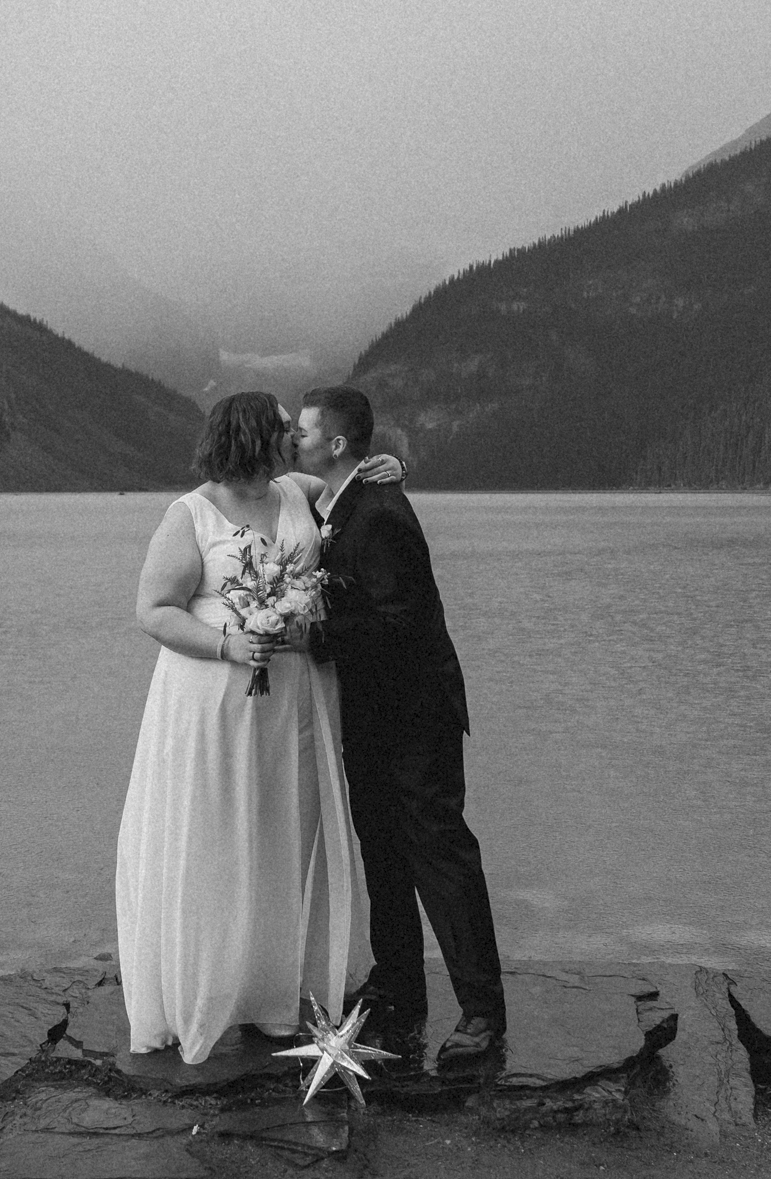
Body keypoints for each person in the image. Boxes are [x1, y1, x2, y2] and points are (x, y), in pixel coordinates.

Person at [116, 391, 402, 1064]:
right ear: (252, 438)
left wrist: (385, 463)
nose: (291, 438)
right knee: (218, 834)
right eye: (280, 429)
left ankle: (275, 996)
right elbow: (153, 610)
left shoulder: (293, 491)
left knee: (284, 831)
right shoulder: (189, 514)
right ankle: (214, 989)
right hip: (216, 701)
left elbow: (346, 474)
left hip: (295, 702)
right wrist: (228, 645)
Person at [296, 384, 507, 1065]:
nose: (294, 439)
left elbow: (399, 623)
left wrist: (316, 631)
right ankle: (398, 983)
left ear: (335, 444)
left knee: (439, 851)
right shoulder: (339, 499)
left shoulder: (380, 512)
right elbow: (269, 478)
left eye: (304, 431)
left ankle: (481, 1011)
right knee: (381, 847)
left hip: (416, 714)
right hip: (372, 712)